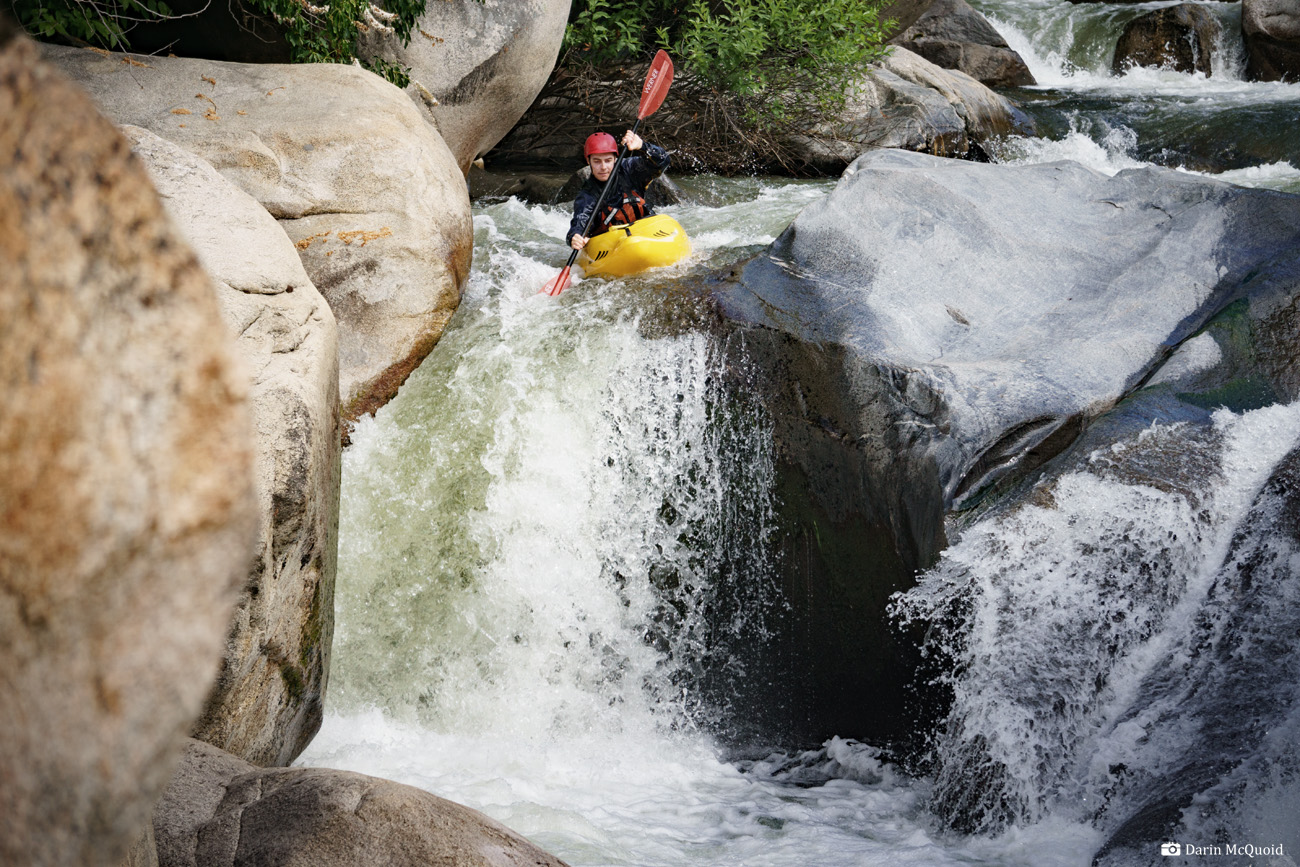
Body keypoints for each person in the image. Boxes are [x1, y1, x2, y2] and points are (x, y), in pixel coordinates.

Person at [566, 130, 671, 251]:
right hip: (613, 244)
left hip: (644, 230)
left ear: (615, 159)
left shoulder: (630, 169)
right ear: (588, 161)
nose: (603, 167)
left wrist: (642, 145)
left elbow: (663, 161)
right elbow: (580, 220)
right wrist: (575, 237)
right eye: (597, 161)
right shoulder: (588, 194)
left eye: (608, 160)